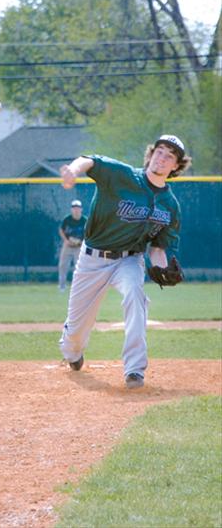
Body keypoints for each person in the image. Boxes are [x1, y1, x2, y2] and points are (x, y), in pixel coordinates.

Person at [58, 134, 191, 389]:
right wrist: (72, 172)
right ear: (151, 154)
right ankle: (73, 353)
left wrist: (162, 267)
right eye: (160, 151)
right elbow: (90, 161)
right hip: (92, 260)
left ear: (176, 166)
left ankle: (134, 370)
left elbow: (158, 248)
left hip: (129, 260)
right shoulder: (123, 176)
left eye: (170, 156)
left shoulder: (170, 205)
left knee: (135, 295)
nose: (162, 158)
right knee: (75, 334)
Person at [57, 199, 86, 292]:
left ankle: (77, 287)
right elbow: (61, 230)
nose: (76, 210)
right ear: (71, 209)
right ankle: (62, 286)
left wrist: (82, 242)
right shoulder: (67, 219)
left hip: (79, 247)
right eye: (74, 208)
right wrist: (65, 240)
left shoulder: (85, 220)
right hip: (68, 246)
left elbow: (90, 233)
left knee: (78, 267)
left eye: (78, 208)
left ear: (81, 209)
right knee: (62, 265)